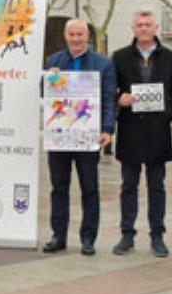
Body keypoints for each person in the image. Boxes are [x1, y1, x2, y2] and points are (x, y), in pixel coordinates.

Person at [111, 10, 172, 257]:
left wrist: (169, 114)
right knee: (128, 186)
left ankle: (157, 236)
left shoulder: (170, 58)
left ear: (156, 29)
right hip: (130, 131)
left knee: (157, 187)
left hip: (157, 131)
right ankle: (126, 234)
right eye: (139, 25)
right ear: (133, 28)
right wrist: (119, 100)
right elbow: (111, 91)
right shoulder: (119, 57)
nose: (143, 29)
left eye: (148, 25)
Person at [41, 19, 116, 256]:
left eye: (80, 34)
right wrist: (46, 81)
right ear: (66, 36)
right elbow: (43, 96)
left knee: (90, 189)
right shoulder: (54, 61)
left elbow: (108, 99)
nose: (75, 39)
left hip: (88, 136)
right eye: (71, 34)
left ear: (88, 36)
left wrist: (107, 129)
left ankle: (88, 238)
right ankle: (58, 236)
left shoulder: (103, 63)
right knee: (58, 188)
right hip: (60, 136)